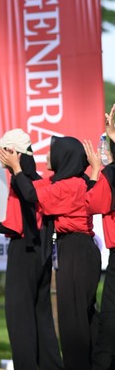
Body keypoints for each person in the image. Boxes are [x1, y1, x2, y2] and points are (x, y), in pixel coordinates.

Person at [0, 129, 63, 370]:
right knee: (41, 315)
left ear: (14, 153)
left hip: (23, 253)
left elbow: (15, 227)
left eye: (3, 150)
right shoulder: (37, 180)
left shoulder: (19, 182)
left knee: (19, 317)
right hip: (41, 254)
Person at [0, 136, 101, 370]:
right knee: (82, 314)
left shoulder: (70, 185)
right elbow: (33, 186)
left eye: (52, 152)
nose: (47, 156)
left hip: (77, 249)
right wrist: (16, 168)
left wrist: (16, 168)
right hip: (74, 249)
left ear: (64, 157)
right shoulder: (68, 182)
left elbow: (31, 195)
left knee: (73, 321)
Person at [84, 103, 115, 370]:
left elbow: (92, 203)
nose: (101, 150)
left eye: (104, 144)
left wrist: (96, 171)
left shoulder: (110, 175)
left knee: (110, 321)